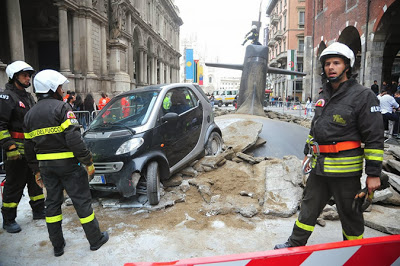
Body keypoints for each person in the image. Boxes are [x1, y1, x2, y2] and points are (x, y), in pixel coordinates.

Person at [274, 42, 384, 249]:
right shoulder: (324, 94)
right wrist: (308, 152)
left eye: (336, 63)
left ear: (347, 66)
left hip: (345, 171)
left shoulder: (363, 96)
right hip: (320, 167)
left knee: (350, 213)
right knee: (308, 208)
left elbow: (374, 137)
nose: (330, 67)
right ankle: (294, 245)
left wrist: (373, 173)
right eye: (327, 64)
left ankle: (353, 252)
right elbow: (315, 128)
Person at [23, 70, 109, 256]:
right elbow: (74, 140)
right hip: (69, 166)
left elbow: (29, 148)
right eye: (60, 87)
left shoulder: (29, 115)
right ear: (53, 88)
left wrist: (36, 171)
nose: (63, 90)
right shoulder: (62, 109)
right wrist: (88, 161)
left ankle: (57, 246)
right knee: (82, 202)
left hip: (46, 169)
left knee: (52, 205)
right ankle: (95, 240)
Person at [0, 61, 45, 233]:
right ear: (14, 77)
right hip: (16, 152)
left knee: (35, 181)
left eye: (29, 75)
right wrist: (9, 147)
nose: (28, 78)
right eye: (25, 75)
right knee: (14, 185)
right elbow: (1, 125)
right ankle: (9, 219)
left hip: (32, 150)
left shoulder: (28, 97)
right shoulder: (6, 97)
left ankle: (39, 210)